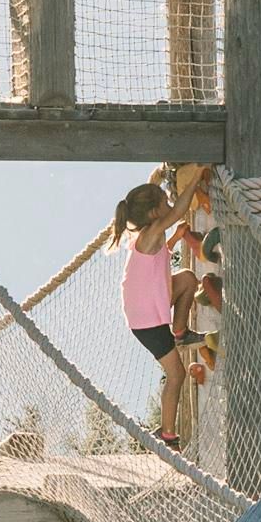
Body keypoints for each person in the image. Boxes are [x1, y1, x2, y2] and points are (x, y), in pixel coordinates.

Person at [111, 181, 191, 442]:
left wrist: (177, 237)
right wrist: (197, 176)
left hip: (150, 305)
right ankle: (167, 434)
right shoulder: (152, 232)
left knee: (187, 280)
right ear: (155, 213)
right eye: (165, 202)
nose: (170, 204)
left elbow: (158, 259)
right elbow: (178, 211)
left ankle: (180, 332)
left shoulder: (148, 236)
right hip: (147, 322)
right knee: (177, 373)